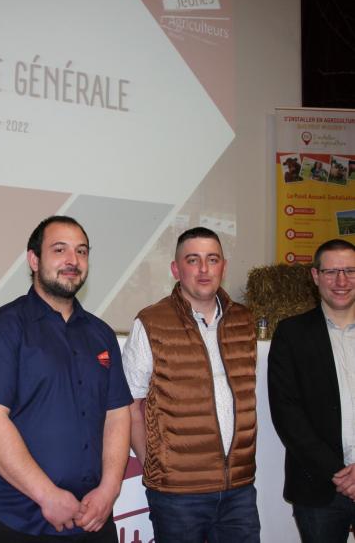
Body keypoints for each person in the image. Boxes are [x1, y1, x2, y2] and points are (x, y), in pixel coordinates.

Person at [0, 215, 132, 542]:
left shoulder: (101, 334)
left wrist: (109, 490)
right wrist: (47, 495)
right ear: (34, 259)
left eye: (82, 252)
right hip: (17, 520)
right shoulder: (3, 328)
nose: (73, 261)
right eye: (60, 250)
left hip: (92, 519)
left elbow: (117, 415)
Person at [122, 226, 260, 543]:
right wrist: (152, 467)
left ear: (223, 266)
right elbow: (129, 405)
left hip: (239, 491)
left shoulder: (244, 321)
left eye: (212, 259)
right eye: (193, 260)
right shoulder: (151, 322)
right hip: (178, 496)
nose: (203, 269)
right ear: (176, 268)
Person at [268, 239, 355, 542]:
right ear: (315, 276)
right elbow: (287, 412)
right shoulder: (291, 334)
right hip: (318, 489)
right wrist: (340, 474)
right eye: (331, 272)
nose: (341, 281)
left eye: (349, 271)